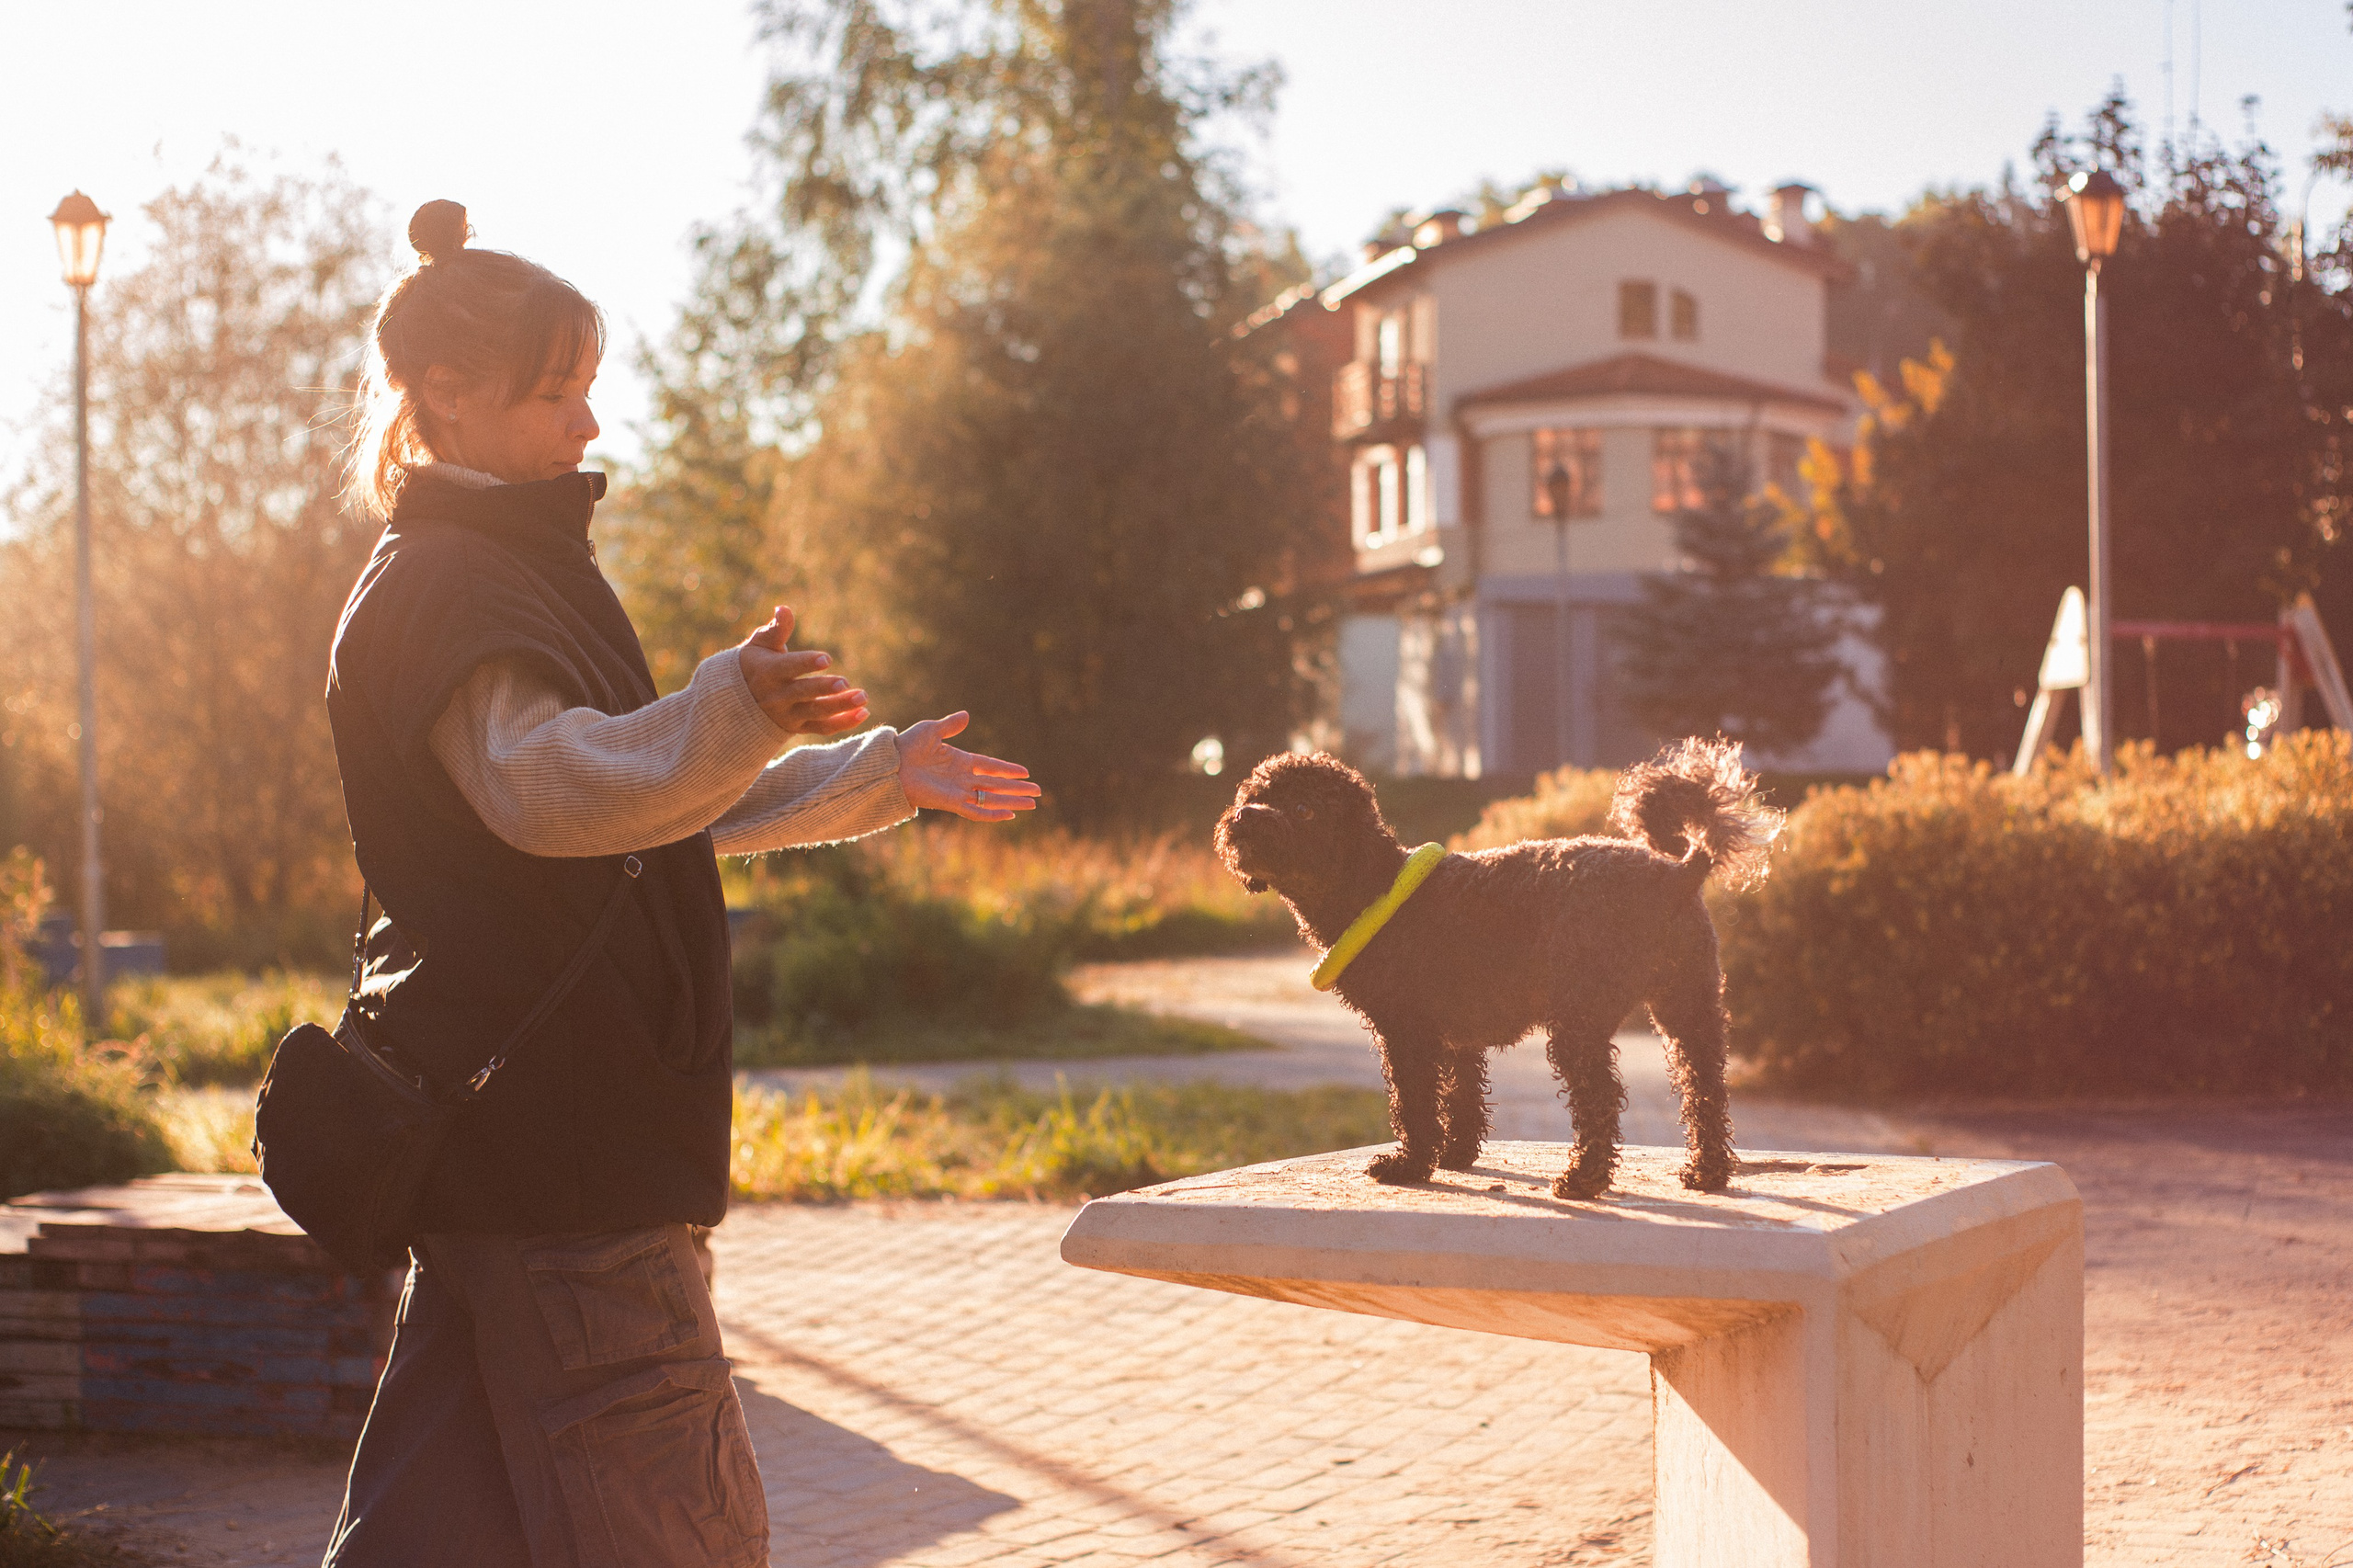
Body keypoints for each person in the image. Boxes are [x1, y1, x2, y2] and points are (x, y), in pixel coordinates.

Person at [317, 199, 1040, 1568]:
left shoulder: (498, 570)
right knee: (675, 1537)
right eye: (556, 394)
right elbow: (554, 790)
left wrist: (875, 772)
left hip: (507, 1162)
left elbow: (641, 807)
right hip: (572, 1165)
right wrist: (732, 707)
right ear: (448, 395)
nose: (589, 424)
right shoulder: (453, 586)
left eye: (587, 388)